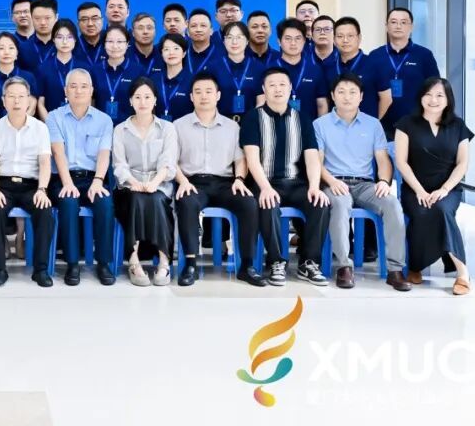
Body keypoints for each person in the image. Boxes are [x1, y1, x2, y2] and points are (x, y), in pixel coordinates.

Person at [315, 73, 411, 291]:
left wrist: (384, 181)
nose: (347, 97)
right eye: (341, 92)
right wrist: (331, 181)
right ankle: (344, 267)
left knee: (392, 204)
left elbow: (383, 160)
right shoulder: (320, 125)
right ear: (333, 96)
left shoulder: (373, 124)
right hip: (334, 182)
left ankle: (395, 270)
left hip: (366, 184)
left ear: (361, 97)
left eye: (352, 92)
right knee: (340, 206)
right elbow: (315, 162)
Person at [173, 73, 267, 287]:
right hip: (193, 183)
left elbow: (240, 159)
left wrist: (240, 179)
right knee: (186, 202)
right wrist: (183, 181)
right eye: (198, 92)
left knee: (249, 203)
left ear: (218, 95)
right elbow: (171, 161)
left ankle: (247, 266)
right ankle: (190, 265)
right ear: (191, 97)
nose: (203, 96)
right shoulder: (178, 126)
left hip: (225, 183)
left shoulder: (232, 127)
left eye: (209, 91)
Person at [240, 68, 331, 287]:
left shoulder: (302, 119)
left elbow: (312, 157)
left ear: (290, 88)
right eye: (272, 85)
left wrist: (314, 186)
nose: (278, 89)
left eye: (282, 84)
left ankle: (309, 262)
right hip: (265, 182)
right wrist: (265, 187)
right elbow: (252, 159)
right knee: (268, 202)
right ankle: (276, 262)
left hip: (296, 182)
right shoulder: (252, 117)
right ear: (264, 89)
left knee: (320, 203)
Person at [395, 78, 473, 295]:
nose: (433, 100)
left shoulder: (458, 126)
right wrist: (419, 190)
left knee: (441, 209)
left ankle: (462, 272)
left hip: (448, 189)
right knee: (421, 212)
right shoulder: (406, 124)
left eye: (439, 95)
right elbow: (401, 162)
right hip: (415, 188)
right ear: (421, 97)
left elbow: (462, 163)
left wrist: (444, 189)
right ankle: (416, 265)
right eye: (428, 94)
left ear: (448, 100)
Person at [0, 77, 56, 287]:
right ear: (3, 100)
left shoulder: (40, 128)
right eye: (11, 96)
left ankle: (40, 270)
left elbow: (45, 163)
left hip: (31, 186)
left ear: (29, 101)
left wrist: (42, 189)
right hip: (3, 185)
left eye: (21, 97)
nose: (16, 101)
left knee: (45, 212)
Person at [47, 69, 116, 286]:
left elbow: (104, 153)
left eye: (84, 86)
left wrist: (98, 181)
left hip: (93, 177)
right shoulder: (54, 117)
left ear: (91, 90)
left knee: (105, 202)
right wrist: (67, 183)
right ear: (65, 90)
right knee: (68, 201)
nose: (78, 91)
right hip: (63, 177)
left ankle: (103, 263)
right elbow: (57, 152)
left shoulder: (104, 120)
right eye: (73, 86)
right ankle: (72, 264)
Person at [112, 78, 178, 287]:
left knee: (156, 198)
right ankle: (134, 261)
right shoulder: (120, 130)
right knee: (135, 198)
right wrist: (133, 182)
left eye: (147, 97)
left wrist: (154, 182)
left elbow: (168, 162)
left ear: (155, 100)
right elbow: (119, 165)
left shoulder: (167, 128)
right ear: (130, 101)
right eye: (138, 97)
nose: (143, 102)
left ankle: (164, 262)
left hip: (159, 184)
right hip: (129, 186)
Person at [370, 7, 441, 139]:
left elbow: (435, 89)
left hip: (417, 126)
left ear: (411, 27)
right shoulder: (375, 56)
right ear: (386, 26)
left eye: (403, 22)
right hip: (382, 127)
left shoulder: (424, 55)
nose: (398, 26)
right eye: (393, 22)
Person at [328, 16, 392, 119]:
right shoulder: (329, 67)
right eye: (340, 36)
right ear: (334, 40)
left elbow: (386, 98)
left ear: (359, 38)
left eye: (350, 36)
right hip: (336, 126)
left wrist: (373, 123)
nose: (345, 40)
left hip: (366, 126)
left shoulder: (374, 64)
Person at [274, 18, 329, 125]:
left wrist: (320, 130)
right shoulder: (269, 69)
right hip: (277, 129)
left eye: (298, 38)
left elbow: (321, 104)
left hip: (308, 129)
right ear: (279, 42)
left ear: (304, 41)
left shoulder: (315, 69)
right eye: (288, 38)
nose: (293, 43)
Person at [0, 33, 37, 124]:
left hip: (24, 128)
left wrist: (20, 125)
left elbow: (32, 106)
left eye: (11, 48)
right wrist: (0, 128)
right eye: (1, 48)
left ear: (17, 52)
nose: (6, 52)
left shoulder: (28, 77)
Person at [90, 25, 142, 125]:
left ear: (127, 44)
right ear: (104, 44)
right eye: (110, 41)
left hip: (129, 127)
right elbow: (91, 101)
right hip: (99, 127)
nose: (115, 46)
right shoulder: (95, 70)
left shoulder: (138, 71)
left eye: (120, 41)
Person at [214, 21, 265, 121]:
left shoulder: (258, 68)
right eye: (230, 37)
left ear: (247, 41)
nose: (234, 42)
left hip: (251, 122)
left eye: (239, 37)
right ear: (224, 41)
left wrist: (252, 121)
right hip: (221, 123)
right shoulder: (213, 68)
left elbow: (261, 100)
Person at [36, 18, 79, 118]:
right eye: (60, 37)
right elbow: (40, 103)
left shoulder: (84, 68)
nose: (65, 42)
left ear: (75, 40)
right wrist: (50, 124)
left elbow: (89, 101)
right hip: (50, 121)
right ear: (53, 40)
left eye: (69, 37)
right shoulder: (43, 68)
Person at [154, 33, 193, 122]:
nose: (171, 53)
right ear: (161, 54)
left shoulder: (193, 81)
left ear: (184, 53)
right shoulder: (153, 80)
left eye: (176, 48)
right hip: (157, 128)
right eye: (166, 49)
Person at [19, 0, 57, 72]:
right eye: (37, 18)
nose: (43, 22)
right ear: (31, 18)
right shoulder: (22, 48)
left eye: (47, 18)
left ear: (56, 17)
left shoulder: (66, 45)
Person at [185, 8, 224, 73]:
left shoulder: (222, 55)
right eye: (193, 26)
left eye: (203, 25)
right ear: (188, 32)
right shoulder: (181, 54)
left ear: (211, 31)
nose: (198, 30)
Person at [74, 1, 106, 68]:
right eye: (84, 19)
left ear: (102, 21)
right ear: (78, 24)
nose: (90, 24)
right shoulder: (72, 47)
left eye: (95, 18)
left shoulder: (112, 43)